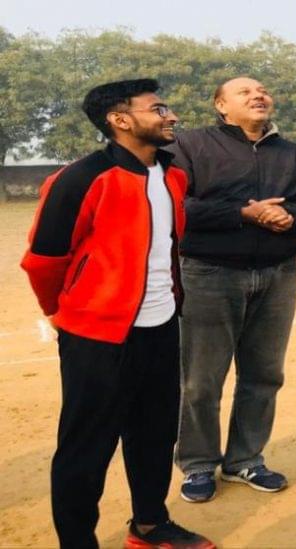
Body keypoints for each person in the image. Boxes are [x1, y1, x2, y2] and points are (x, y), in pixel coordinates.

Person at [21, 79, 214, 548]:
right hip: (96, 336)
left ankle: (149, 525)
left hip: (162, 326)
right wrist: (62, 313)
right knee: (86, 447)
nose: (170, 116)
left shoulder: (173, 176)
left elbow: (168, 248)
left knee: (154, 433)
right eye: (158, 108)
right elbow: (44, 260)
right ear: (120, 120)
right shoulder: (80, 178)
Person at [167, 77, 296, 503]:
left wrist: (291, 218)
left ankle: (245, 459)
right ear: (221, 106)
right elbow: (178, 204)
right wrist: (244, 213)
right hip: (208, 272)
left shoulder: (292, 152)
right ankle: (199, 463)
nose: (258, 96)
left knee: (264, 374)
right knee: (201, 379)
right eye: (244, 92)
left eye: (262, 91)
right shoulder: (190, 146)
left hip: (279, 273)